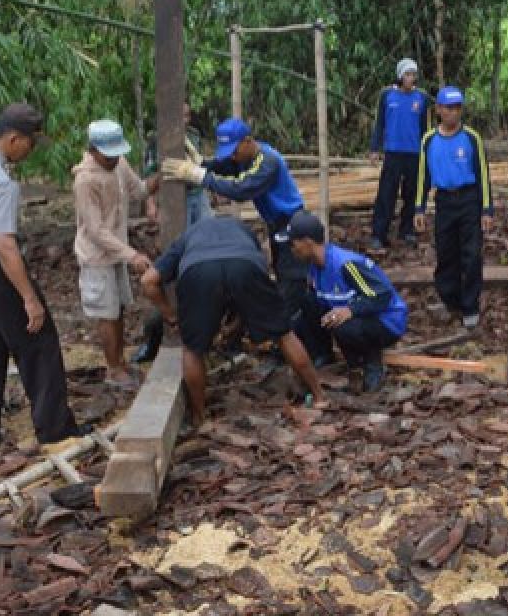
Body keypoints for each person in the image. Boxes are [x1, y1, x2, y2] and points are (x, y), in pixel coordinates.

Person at [0, 103, 84, 456]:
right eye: (30, 143)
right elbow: (5, 245)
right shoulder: (2, 183)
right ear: (13, 139)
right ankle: (55, 430)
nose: (31, 150)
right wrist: (29, 299)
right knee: (38, 341)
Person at [139, 214, 324, 423]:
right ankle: (319, 396)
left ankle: (199, 417)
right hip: (245, 265)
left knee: (193, 349)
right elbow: (249, 281)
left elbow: (148, 281)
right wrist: (242, 319)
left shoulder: (188, 237)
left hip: (199, 271)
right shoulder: (244, 232)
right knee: (284, 335)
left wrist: (171, 316)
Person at [160, 117, 308, 318]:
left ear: (247, 141)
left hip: (292, 224)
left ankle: (292, 332)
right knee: (282, 275)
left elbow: (240, 189)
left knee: (292, 282)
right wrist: (203, 163)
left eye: (234, 150)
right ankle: (285, 329)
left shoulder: (267, 161)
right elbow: (224, 166)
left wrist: (200, 176)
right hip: (276, 224)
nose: (233, 157)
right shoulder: (244, 158)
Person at [72, 120, 159, 388]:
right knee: (107, 313)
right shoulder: (85, 180)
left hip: (117, 252)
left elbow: (140, 190)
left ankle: (120, 362)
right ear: (94, 149)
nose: (113, 159)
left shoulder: (119, 165)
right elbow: (96, 230)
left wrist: (161, 177)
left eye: (116, 154)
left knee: (118, 308)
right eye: (108, 155)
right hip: (97, 256)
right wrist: (131, 255)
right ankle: (113, 369)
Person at [288, 210, 408, 392]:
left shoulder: (346, 265)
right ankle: (323, 355)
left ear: (308, 242)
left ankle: (371, 363)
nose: (292, 248)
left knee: (344, 326)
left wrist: (350, 310)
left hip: (386, 321)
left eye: (293, 243)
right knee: (308, 303)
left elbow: (382, 296)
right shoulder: (314, 267)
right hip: (353, 317)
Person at [135, 103, 213, 365]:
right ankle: (166, 320)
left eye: (187, 115)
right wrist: (151, 203)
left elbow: (202, 167)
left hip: (196, 195)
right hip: (172, 198)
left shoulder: (193, 136)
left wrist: (211, 192)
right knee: (175, 251)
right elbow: (149, 175)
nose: (184, 119)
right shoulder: (157, 140)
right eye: (179, 114)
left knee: (204, 244)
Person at [414, 86, 494, 329]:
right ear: (438, 110)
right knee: (446, 254)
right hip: (444, 202)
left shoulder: (471, 138)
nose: (453, 113)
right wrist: (419, 208)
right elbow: (422, 176)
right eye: (448, 108)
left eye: (457, 108)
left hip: (468, 200)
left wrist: (487, 210)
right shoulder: (429, 140)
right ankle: (451, 300)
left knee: (471, 255)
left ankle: (470, 305)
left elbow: (482, 175)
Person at [369, 58, 431, 251]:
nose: (410, 78)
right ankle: (379, 234)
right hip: (393, 152)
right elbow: (380, 123)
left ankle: (407, 230)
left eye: (413, 74)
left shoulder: (421, 98)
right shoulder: (387, 95)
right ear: (400, 76)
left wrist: (426, 151)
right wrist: (375, 148)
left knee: (411, 193)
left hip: (413, 152)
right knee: (386, 194)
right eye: (407, 74)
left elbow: (424, 128)